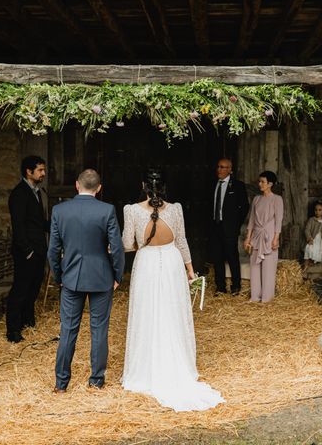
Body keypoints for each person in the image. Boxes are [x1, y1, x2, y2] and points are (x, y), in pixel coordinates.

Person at [121, 169, 224, 412]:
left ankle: (145, 369)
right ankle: (176, 365)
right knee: (171, 313)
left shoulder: (131, 210)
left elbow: (127, 244)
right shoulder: (176, 209)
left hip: (145, 263)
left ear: (143, 185)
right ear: (164, 187)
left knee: (147, 313)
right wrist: (190, 271)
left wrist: (139, 242)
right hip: (172, 262)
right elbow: (182, 242)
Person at [48, 169, 124, 392]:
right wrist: (117, 275)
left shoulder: (60, 210)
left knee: (68, 330)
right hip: (102, 277)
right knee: (99, 330)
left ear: (76, 185)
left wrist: (58, 276)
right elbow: (117, 247)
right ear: (99, 188)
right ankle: (96, 381)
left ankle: (61, 384)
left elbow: (53, 249)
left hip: (71, 278)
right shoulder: (107, 210)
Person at [6, 155, 49, 343]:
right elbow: (19, 226)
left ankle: (27, 320)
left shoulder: (37, 192)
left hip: (39, 250)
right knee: (20, 289)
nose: (43, 173)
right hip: (27, 251)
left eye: (43, 170)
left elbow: (37, 222)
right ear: (28, 172)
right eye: (40, 170)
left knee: (33, 287)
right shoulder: (19, 193)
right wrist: (27, 250)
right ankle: (13, 331)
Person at [209, 158, 250, 295]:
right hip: (215, 226)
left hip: (230, 228)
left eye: (222, 167)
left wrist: (235, 224)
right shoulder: (212, 184)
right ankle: (220, 287)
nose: (219, 170)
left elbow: (244, 207)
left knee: (232, 257)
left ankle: (236, 286)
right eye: (218, 167)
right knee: (217, 257)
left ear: (230, 170)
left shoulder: (237, 185)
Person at [244, 171, 284, 303]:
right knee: (255, 266)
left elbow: (279, 220)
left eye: (263, 182)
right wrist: (248, 238)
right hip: (256, 235)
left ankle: (266, 298)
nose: (260, 184)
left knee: (268, 267)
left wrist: (276, 238)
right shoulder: (256, 199)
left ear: (270, 184)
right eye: (259, 181)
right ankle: (255, 296)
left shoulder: (277, 199)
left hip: (269, 236)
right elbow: (251, 220)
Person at [303, 201, 322, 271]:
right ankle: (306, 265)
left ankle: (318, 264)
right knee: (308, 248)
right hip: (314, 238)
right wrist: (309, 238)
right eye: (316, 210)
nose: (317, 212)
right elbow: (307, 230)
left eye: (320, 210)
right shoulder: (311, 220)